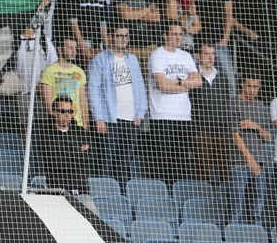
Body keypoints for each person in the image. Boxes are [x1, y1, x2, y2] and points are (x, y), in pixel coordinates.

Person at [87, 22, 148, 188]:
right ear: (110, 37)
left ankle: (121, 199)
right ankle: (104, 196)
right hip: (109, 120)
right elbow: (93, 90)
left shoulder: (133, 59)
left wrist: (140, 114)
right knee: (105, 161)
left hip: (131, 120)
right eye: (119, 35)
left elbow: (141, 88)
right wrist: (99, 118)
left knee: (124, 163)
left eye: (126, 36)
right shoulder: (99, 59)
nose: (123, 39)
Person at [147, 24, 202, 187]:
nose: (178, 37)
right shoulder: (157, 55)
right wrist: (186, 84)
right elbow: (162, 86)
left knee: (181, 163)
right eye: (174, 34)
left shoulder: (186, 56)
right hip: (162, 116)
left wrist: (177, 81)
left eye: (180, 34)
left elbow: (198, 82)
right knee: (162, 164)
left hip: (184, 116)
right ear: (165, 35)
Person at [230, 75, 271, 224]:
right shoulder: (233, 103)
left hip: (259, 161)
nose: (252, 90)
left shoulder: (261, 106)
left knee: (258, 201)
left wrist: (257, 126)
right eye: (249, 86)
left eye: (256, 87)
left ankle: (257, 233)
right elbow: (235, 136)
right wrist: (250, 160)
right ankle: (233, 233)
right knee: (237, 203)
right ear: (242, 85)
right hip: (240, 161)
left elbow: (268, 137)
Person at [190, 43, 231, 184]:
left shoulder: (222, 76)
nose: (210, 57)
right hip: (201, 129)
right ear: (197, 55)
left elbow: (226, 102)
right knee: (203, 169)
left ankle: (223, 200)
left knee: (224, 169)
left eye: (212, 53)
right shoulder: (192, 76)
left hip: (221, 130)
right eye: (206, 53)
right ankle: (203, 200)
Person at [38, 33, 90, 131]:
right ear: (60, 49)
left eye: (75, 48)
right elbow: (47, 101)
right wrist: (56, 123)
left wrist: (85, 123)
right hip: (58, 124)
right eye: (70, 48)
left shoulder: (80, 71)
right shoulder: (49, 71)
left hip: (77, 124)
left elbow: (83, 99)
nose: (74, 52)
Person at [41, 97, 91, 193]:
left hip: (81, 190)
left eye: (70, 111)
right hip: (57, 190)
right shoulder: (46, 135)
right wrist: (79, 153)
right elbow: (55, 162)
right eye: (63, 111)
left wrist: (67, 155)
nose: (67, 115)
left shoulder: (80, 131)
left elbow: (90, 158)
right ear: (54, 112)